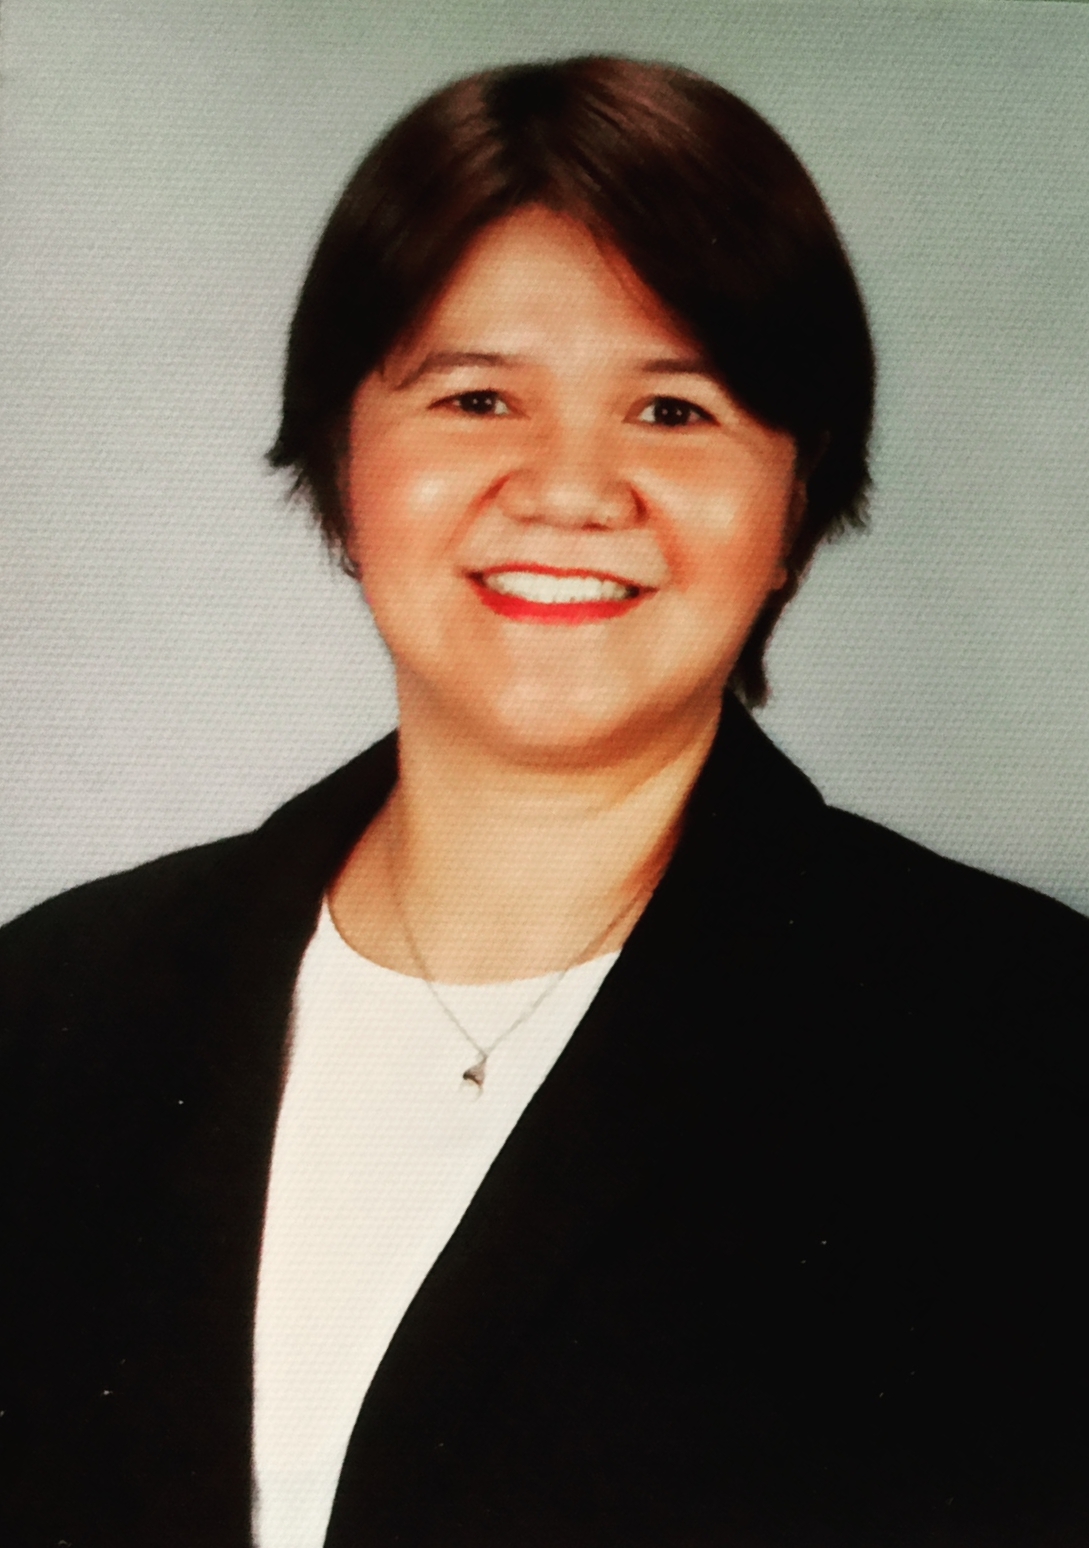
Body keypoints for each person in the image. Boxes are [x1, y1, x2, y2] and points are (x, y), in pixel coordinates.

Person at [1, 54, 1086, 1548]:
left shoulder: (1021, 1051)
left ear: (792, 505)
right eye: (477, 397)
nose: (571, 489)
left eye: (674, 411)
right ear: (342, 458)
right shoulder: (52, 1013)